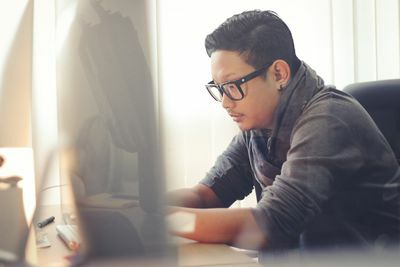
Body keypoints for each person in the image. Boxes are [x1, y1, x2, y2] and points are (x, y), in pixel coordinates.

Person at [167, 10, 400, 252]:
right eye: (219, 88)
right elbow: (207, 195)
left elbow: (272, 224)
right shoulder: (259, 124)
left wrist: (167, 221)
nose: (226, 102)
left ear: (279, 73)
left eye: (233, 85)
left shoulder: (328, 120)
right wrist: (146, 207)